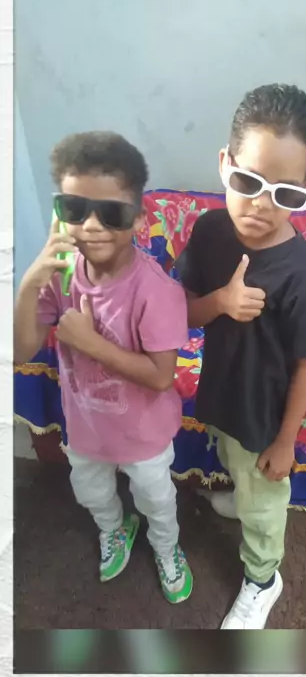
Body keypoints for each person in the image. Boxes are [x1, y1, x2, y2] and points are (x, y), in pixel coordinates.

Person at [176, 83, 306, 629]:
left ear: (304, 190)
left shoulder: (303, 276)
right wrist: (220, 302)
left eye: (285, 193)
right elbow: (184, 312)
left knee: (263, 503)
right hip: (222, 391)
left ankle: (264, 579)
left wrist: (286, 441)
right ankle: (243, 497)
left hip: (265, 419)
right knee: (235, 464)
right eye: (248, 182)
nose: (262, 205)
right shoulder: (209, 230)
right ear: (226, 164)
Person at [14, 131, 193, 604]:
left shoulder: (156, 291)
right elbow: (19, 351)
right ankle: (115, 528)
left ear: (138, 217)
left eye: (111, 213)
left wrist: (89, 343)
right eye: (75, 209)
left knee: (157, 498)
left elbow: (161, 376)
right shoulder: (61, 276)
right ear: (59, 213)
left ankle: (166, 547)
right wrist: (30, 281)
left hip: (143, 435)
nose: (91, 226)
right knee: (90, 492)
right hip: (86, 429)